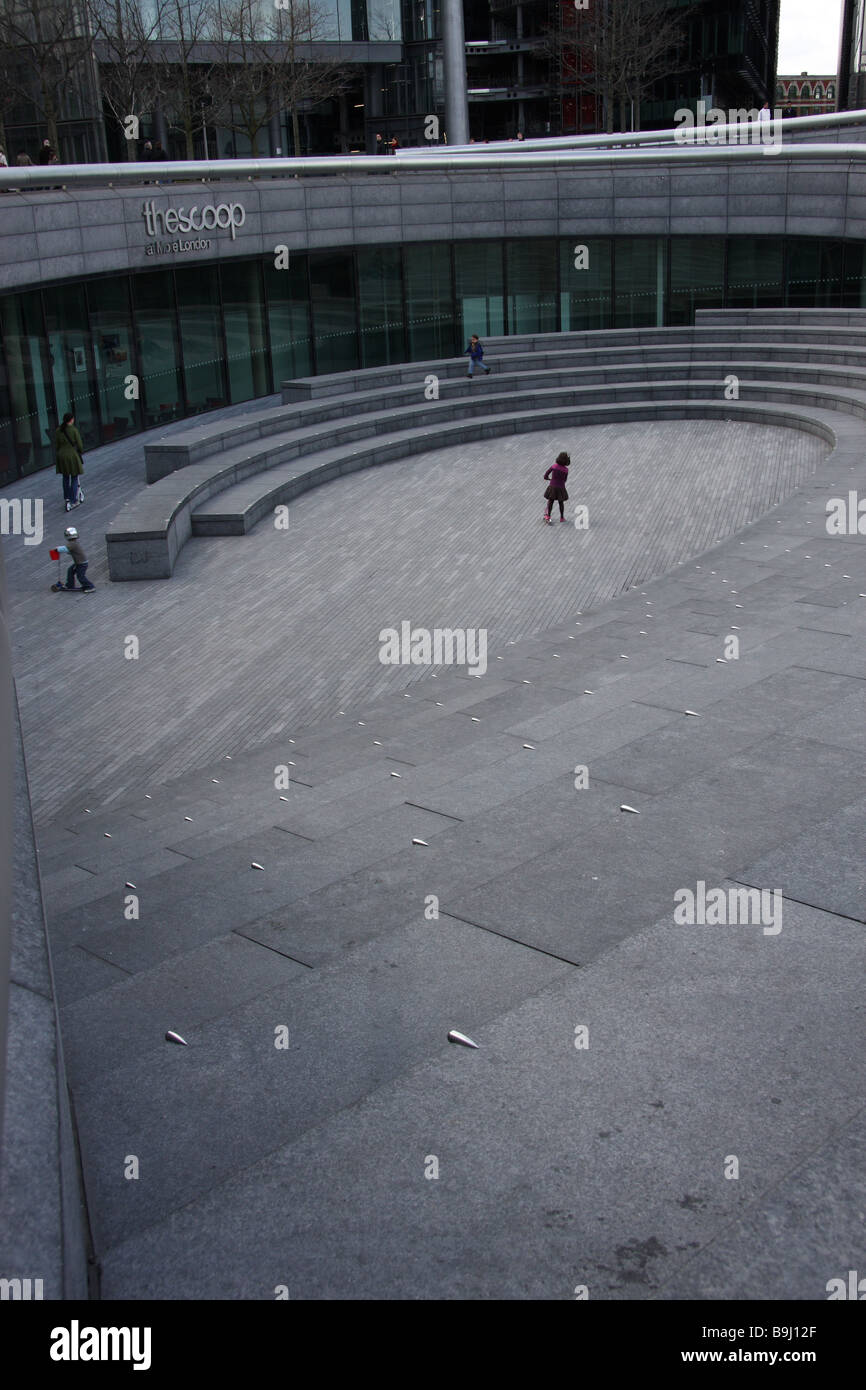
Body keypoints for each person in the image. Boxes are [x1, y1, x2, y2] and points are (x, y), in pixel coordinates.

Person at [55, 411, 85, 511]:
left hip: (61, 456)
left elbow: (56, 445)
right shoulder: (73, 430)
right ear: (71, 419)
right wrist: (80, 451)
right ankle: (73, 500)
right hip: (72, 456)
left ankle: (67, 498)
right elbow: (80, 445)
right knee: (74, 477)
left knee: (65, 477)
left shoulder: (58, 430)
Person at [56, 526, 95, 591]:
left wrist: (57, 549)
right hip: (80, 562)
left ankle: (90, 586)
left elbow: (65, 549)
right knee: (70, 571)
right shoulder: (73, 542)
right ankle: (69, 585)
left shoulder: (72, 543)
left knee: (80, 576)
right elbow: (69, 550)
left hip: (81, 564)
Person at [543, 451, 570, 524]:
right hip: (561, 487)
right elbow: (565, 480)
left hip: (552, 487)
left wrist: (548, 479)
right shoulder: (566, 470)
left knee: (551, 501)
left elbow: (546, 475)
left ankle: (548, 516)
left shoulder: (554, 466)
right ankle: (562, 517)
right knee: (561, 502)